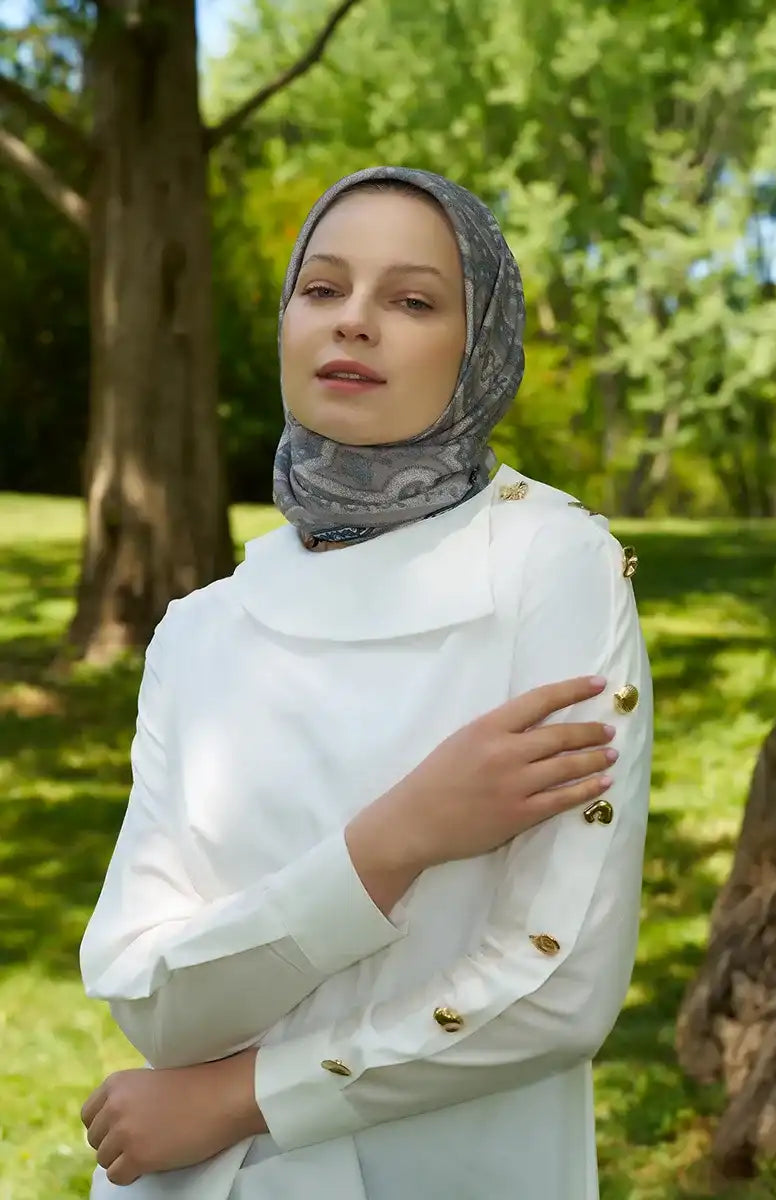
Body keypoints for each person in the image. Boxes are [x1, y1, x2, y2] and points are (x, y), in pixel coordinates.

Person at [78, 165, 653, 1200]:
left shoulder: (551, 563)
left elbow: (560, 984)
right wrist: (393, 843)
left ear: (480, 348)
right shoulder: (200, 630)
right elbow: (152, 1001)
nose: (353, 321)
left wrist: (242, 1095)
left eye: (412, 300)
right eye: (323, 288)